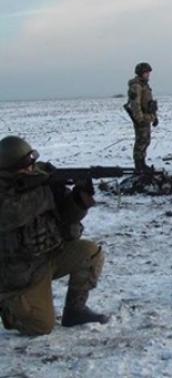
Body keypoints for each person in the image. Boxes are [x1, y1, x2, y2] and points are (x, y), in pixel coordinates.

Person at [0, 136, 108, 336]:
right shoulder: (17, 191)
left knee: (90, 252)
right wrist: (47, 192)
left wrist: (78, 200)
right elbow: (12, 213)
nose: (31, 169)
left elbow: (67, 217)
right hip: (16, 275)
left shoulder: (39, 180)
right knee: (41, 327)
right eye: (25, 166)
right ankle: (9, 307)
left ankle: (75, 311)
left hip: (46, 257)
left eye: (32, 163)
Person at [124, 62, 158, 173]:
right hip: (142, 118)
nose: (148, 74)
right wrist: (139, 118)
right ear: (141, 73)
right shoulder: (136, 86)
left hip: (147, 117)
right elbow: (136, 104)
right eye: (146, 72)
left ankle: (142, 163)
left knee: (146, 140)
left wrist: (154, 117)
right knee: (141, 141)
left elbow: (149, 103)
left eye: (148, 72)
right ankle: (139, 165)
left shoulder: (145, 85)